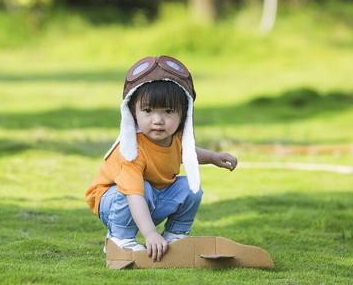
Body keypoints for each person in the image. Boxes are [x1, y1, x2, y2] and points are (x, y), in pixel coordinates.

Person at [85, 55, 238, 262]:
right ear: (133, 111)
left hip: (150, 198)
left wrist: (213, 157)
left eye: (168, 111)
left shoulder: (173, 139)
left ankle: (175, 237)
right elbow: (134, 194)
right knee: (143, 187)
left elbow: (188, 152)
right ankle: (119, 239)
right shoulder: (131, 150)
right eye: (147, 111)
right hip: (115, 203)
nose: (157, 120)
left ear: (183, 114)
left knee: (191, 188)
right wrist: (149, 234)